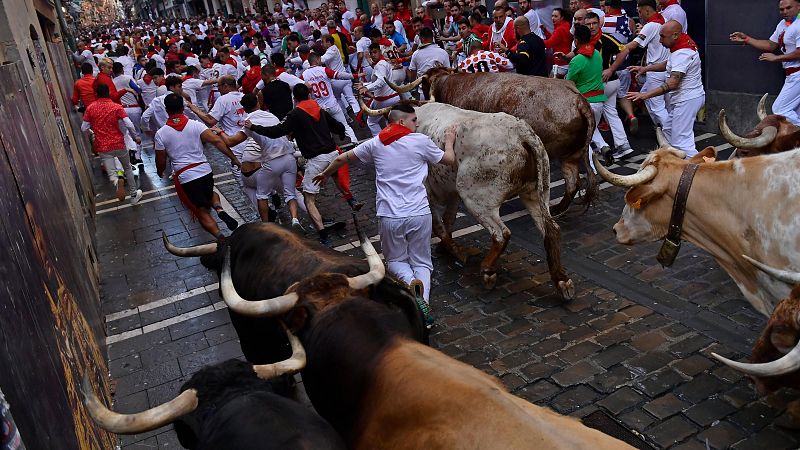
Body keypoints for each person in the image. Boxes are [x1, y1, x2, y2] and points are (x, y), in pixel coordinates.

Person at [312, 103, 457, 326]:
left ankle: (410, 285)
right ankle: (422, 302)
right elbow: (449, 160)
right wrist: (449, 141)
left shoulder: (376, 142)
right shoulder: (420, 141)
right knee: (423, 262)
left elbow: (342, 159)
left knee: (396, 260)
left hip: (390, 216)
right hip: (419, 213)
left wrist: (324, 174)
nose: (417, 124)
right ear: (401, 121)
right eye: (413, 120)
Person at [244, 83, 346, 247]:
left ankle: (322, 233)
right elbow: (338, 126)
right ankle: (297, 217)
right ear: (309, 95)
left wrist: (254, 127)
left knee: (303, 198)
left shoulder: (294, 113)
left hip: (299, 161)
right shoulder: (318, 109)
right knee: (294, 192)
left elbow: (277, 131)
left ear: (294, 98)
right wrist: (341, 133)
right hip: (329, 155)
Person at [154, 93, 241, 239]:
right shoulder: (196, 125)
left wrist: (160, 171)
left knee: (200, 210)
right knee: (210, 194)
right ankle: (219, 209)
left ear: (166, 110)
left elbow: (160, 160)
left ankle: (221, 238)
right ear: (182, 108)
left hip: (186, 176)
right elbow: (217, 141)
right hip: (205, 171)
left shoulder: (161, 134)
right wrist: (234, 158)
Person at [216, 94, 300, 226]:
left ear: (244, 109)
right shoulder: (271, 116)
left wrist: (219, 131)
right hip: (289, 158)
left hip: (272, 162)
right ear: (258, 103)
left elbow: (231, 142)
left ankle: (267, 226)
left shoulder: (248, 122)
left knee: (261, 195)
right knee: (291, 193)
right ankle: (296, 219)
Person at [627, 20, 704, 157]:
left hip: (686, 100)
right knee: (668, 130)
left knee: (682, 142)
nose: (660, 41)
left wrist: (646, 95)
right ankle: (674, 161)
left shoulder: (683, 53)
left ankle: (699, 169)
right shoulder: (682, 42)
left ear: (675, 35)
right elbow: (669, 64)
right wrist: (646, 68)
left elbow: (673, 83)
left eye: (662, 37)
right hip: (686, 98)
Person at [730, 0, 800, 126]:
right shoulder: (783, 24)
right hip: (792, 75)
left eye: (788, 8)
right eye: (781, 9)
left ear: (798, 7)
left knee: (780, 109)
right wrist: (746, 38)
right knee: (794, 112)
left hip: (798, 74)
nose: (784, 12)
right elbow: (770, 45)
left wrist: (776, 58)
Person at [584, 12, 635, 161]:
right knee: (611, 113)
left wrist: (611, 69)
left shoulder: (603, 39)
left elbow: (625, 50)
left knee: (590, 118)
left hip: (603, 84)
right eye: (589, 24)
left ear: (599, 24)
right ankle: (623, 145)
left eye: (594, 23)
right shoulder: (594, 39)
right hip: (609, 84)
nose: (592, 26)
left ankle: (600, 148)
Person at [81, 84, 143, 205]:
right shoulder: (116, 107)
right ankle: (134, 195)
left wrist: (94, 132)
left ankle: (117, 181)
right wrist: (135, 137)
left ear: (96, 94)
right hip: (119, 144)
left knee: (112, 172)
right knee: (127, 168)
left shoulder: (90, 108)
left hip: (103, 147)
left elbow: (84, 128)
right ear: (108, 93)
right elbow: (129, 124)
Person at [187, 75, 248, 186]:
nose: (218, 89)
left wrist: (195, 110)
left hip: (234, 143)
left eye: (218, 86)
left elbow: (211, 121)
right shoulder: (245, 96)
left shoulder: (223, 100)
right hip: (250, 139)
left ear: (225, 86)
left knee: (241, 179)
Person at [623, 0, 669, 128]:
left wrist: (616, 48)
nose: (640, 15)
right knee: (647, 97)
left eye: (640, 11)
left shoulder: (650, 25)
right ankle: (661, 129)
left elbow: (633, 45)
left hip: (655, 72)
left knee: (657, 108)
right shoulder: (663, 20)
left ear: (647, 10)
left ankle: (669, 137)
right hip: (666, 69)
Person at [565, 24, 607, 165]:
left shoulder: (577, 60)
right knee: (592, 129)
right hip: (599, 102)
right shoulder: (597, 54)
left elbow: (569, 83)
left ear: (576, 40)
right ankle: (603, 146)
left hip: (585, 103)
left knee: (584, 138)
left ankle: (592, 169)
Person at [302, 52, 358, 142]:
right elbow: (340, 75)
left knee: (325, 132)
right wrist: (355, 76)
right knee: (345, 126)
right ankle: (355, 143)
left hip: (319, 109)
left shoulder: (304, 75)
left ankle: (333, 150)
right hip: (332, 105)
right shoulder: (323, 70)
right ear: (317, 59)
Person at [359, 42, 401, 136]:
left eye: (375, 52)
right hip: (393, 98)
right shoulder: (382, 63)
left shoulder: (380, 65)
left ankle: (381, 143)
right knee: (391, 122)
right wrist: (365, 84)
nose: (373, 55)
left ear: (380, 52)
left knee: (372, 122)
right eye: (371, 53)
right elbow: (379, 81)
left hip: (384, 100)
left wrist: (366, 87)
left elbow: (381, 82)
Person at [543, 8, 573, 78]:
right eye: (552, 16)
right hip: (566, 62)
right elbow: (556, 39)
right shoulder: (566, 25)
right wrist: (545, 31)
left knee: (551, 85)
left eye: (556, 16)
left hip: (561, 64)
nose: (553, 18)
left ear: (562, 17)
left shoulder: (560, 29)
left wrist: (536, 40)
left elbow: (549, 43)